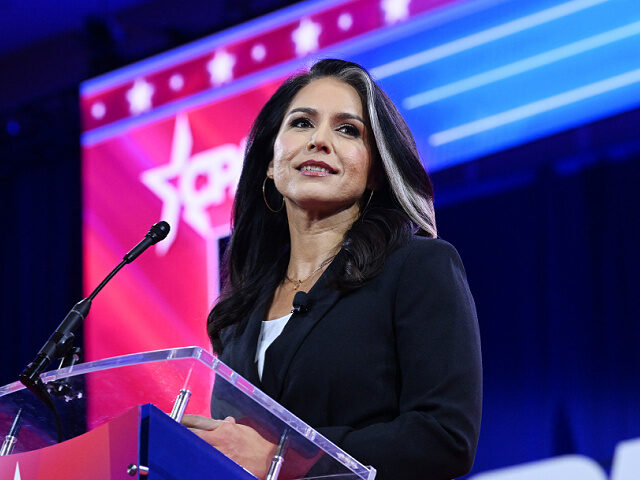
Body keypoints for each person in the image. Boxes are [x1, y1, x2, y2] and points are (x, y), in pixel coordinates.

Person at [182, 59, 482, 480]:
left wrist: (280, 458)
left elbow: (444, 438)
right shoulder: (238, 316)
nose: (319, 140)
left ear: (375, 171)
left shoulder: (418, 268)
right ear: (271, 161)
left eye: (347, 130)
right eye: (302, 123)